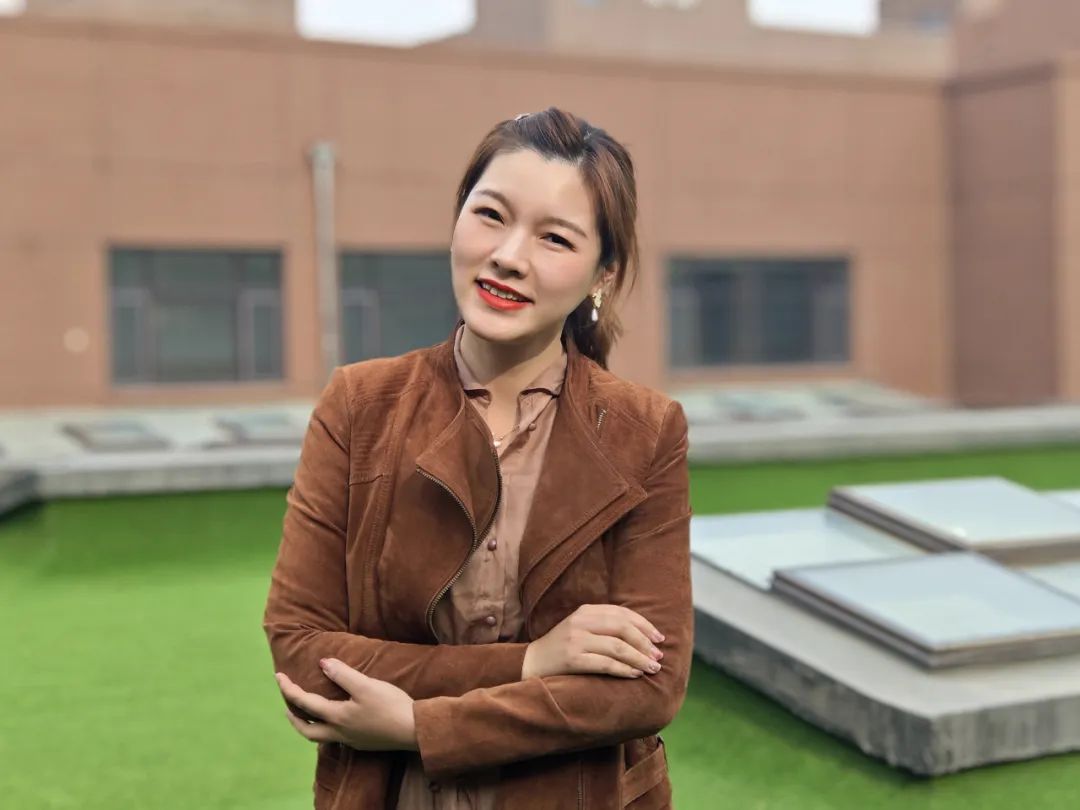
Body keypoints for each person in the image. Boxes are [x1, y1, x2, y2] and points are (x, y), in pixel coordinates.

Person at [263, 107, 692, 810]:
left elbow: (649, 687)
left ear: (602, 274)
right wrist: (534, 662)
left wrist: (417, 726)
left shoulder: (645, 431)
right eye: (491, 215)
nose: (509, 256)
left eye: (554, 238)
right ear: (457, 219)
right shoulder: (359, 406)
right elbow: (303, 649)